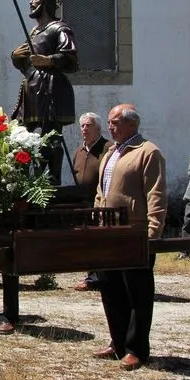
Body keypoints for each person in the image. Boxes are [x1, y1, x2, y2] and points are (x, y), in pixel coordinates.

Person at [92, 104, 166, 371]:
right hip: (107, 232)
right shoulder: (111, 152)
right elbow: (102, 191)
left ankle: (136, 348)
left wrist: (152, 233)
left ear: (131, 124)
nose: (110, 127)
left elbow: (155, 194)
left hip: (134, 233)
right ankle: (118, 341)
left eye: (115, 123)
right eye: (110, 123)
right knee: (111, 289)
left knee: (137, 292)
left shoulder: (148, 152)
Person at [10, 0, 79, 185]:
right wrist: (16, 57)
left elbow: (71, 57)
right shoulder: (33, 32)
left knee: (51, 135)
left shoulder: (59, 29)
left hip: (51, 87)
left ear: (46, 4)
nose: (31, 2)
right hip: (32, 86)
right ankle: (25, 179)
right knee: (23, 134)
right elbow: (28, 64)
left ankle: (52, 179)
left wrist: (48, 60)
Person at [72, 112, 113, 291]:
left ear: (98, 128)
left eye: (89, 125)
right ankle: (92, 275)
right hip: (83, 203)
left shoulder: (107, 149)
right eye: (82, 126)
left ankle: (97, 278)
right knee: (88, 241)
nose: (85, 129)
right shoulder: (79, 151)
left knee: (100, 241)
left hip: (101, 202)